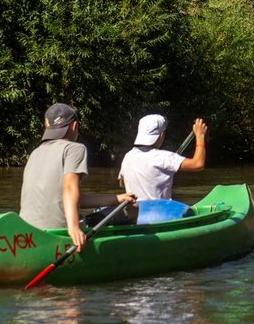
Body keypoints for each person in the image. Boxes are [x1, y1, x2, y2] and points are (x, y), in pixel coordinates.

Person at [19, 103, 136, 251]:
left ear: (46, 126)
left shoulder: (35, 153)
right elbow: (69, 187)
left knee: (122, 204)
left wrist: (117, 198)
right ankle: (122, 251)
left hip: (27, 233)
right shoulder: (74, 148)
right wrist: (73, 227)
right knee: (132, 209)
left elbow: (66, 198)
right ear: (74, 126)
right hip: (60, 233)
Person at [118, 115, 208, 201]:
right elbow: (198, 164)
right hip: (160, 213)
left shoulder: (128, 156)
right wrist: (200, 136)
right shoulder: (164, 157)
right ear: (161, 135)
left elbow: (121, 183)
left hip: (134, 212)